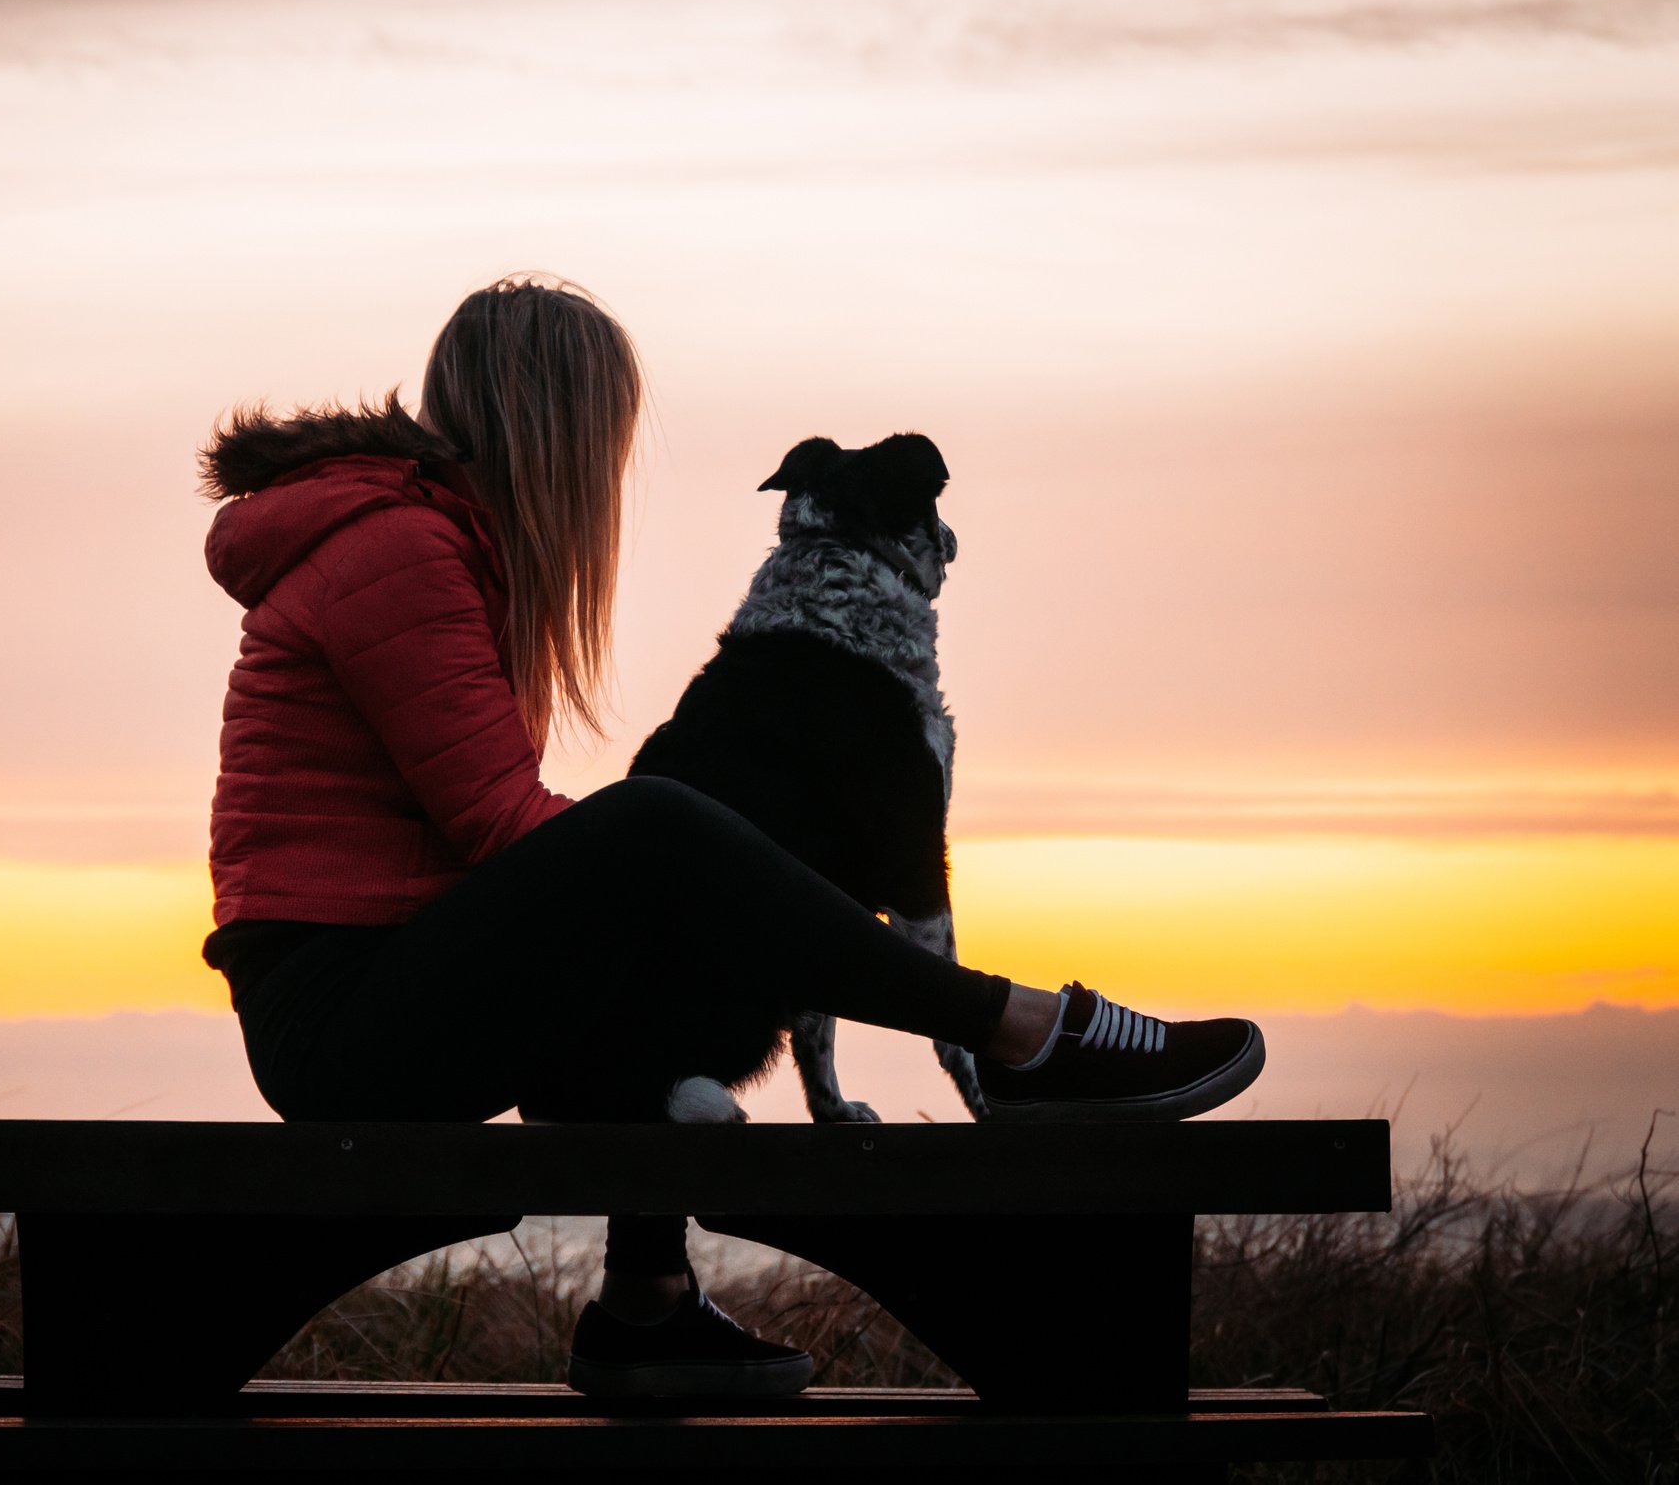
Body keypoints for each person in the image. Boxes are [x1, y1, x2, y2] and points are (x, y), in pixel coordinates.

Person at [198, 275, 1265, 1397]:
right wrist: (700, 885)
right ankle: (1024, 1034)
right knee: (652, 829)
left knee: (646, 883)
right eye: (607, 425)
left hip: (380, 985)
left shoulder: (430, 543)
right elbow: (498, 825)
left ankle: (644, 1306)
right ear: (558, 421)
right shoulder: (398, 550)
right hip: (342, 1019)